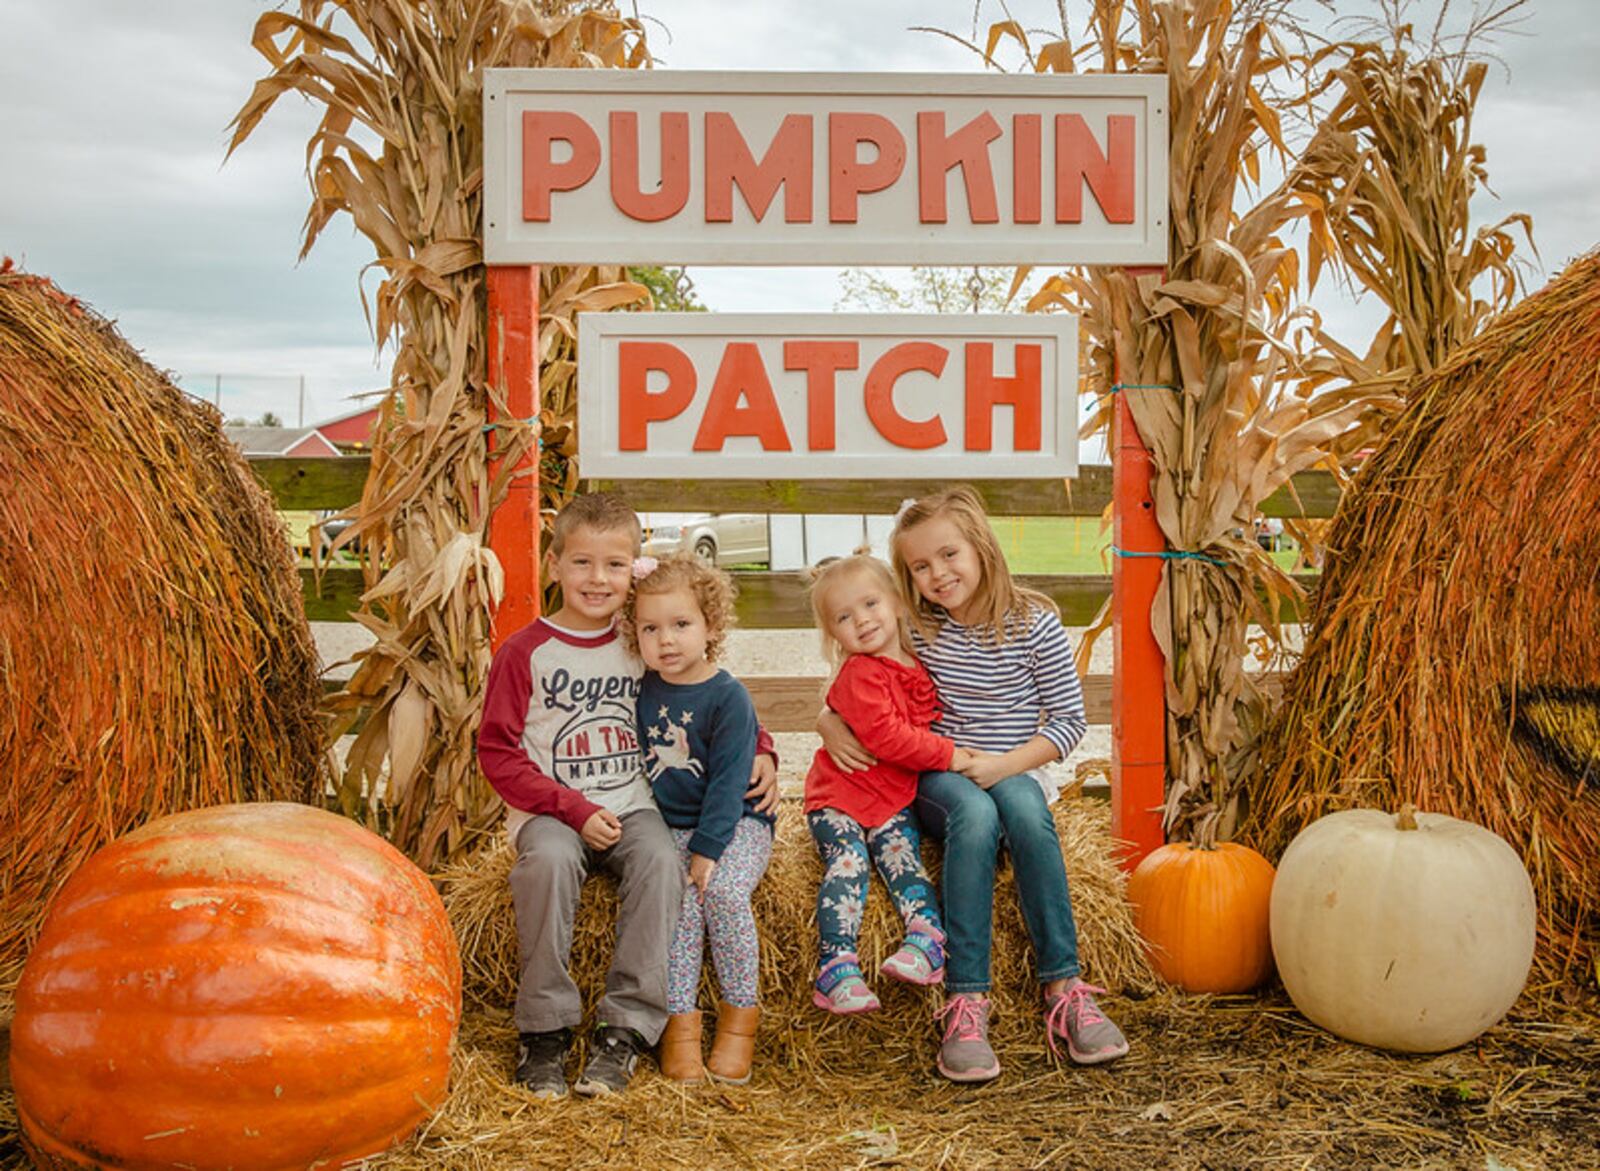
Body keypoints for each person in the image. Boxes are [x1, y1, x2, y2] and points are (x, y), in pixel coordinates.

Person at [819, 486, 1129, 1082]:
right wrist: (826, 721)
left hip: (1012, 764)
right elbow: (859, 681)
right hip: (938, 773)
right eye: (920, 566)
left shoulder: (1036, 622)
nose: (937, 574)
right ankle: (966, 1000)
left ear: (981, 545)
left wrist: (1003, 765)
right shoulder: (918, 624)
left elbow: (1068, 724)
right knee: (977, 817)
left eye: (949, 555)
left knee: (1027, 813)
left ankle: (1065, 989)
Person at [477, 494, 778, 1100]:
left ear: (634, 569)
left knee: (663, 863)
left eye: (615, 565)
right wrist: (574, 810)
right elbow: (497, 752)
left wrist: (763, 747)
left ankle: (627, 1029)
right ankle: (545, 1031)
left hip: (637, 805)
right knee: (550, 865)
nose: (598, 579)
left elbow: (705, 698)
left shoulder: (640, 638)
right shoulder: (525, 652)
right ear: (553, 564)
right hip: (553, 809)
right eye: (582, 563)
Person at [621, 554, 773, 1085]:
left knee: (724, 895)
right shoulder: (642, 690)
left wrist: (708, 850)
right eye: (651, 628)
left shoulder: (728, 697)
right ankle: (680, 1026)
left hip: (737, 824)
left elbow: (731, 781)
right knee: (680, 910)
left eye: (681, 624)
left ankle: (739, 1020)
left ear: (711, 625)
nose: (666, 640)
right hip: (674, 829)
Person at [803, 551, 961, 1015]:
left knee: (902, 857)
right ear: (833, 633)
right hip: (839, 797)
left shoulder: (917, 663)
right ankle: (837, 966)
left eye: (870, 604)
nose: (863, 621)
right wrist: (955, 756)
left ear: (895, 601)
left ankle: (925, 939)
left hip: (890, 798)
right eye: (845, 617)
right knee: (849, 862)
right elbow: (891, 738)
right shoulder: (860, 673)